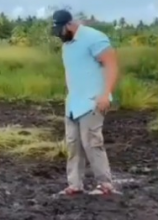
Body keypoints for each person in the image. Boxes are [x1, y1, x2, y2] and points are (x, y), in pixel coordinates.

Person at [51, 10, 119, 195]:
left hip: (93, 101)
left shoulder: (94, 38)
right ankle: (75, 185)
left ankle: (105, 185)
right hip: (73, 103)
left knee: (92, 144)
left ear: (70, 24)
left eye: (60, 29)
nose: (58, 34)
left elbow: (111, 65)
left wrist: (105, 94)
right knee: (73, 145)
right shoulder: (67, 45)